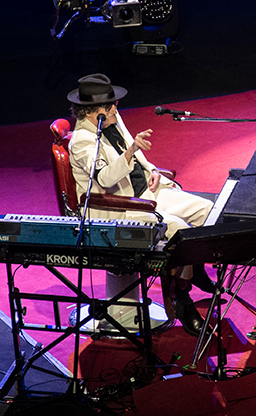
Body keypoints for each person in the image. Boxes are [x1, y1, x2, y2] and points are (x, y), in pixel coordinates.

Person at [67, 73, 213, 335]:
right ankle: (182, 295)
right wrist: (131, 150)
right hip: (121, 208)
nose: (116, 109)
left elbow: (136, 152)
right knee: (181, 230)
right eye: (110, 106)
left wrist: (153, 168)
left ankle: (194, 267)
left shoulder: (111, 117)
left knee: (207, 212)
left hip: (148, 190)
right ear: (92, 113)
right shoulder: (82, 142)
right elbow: (103, 177)